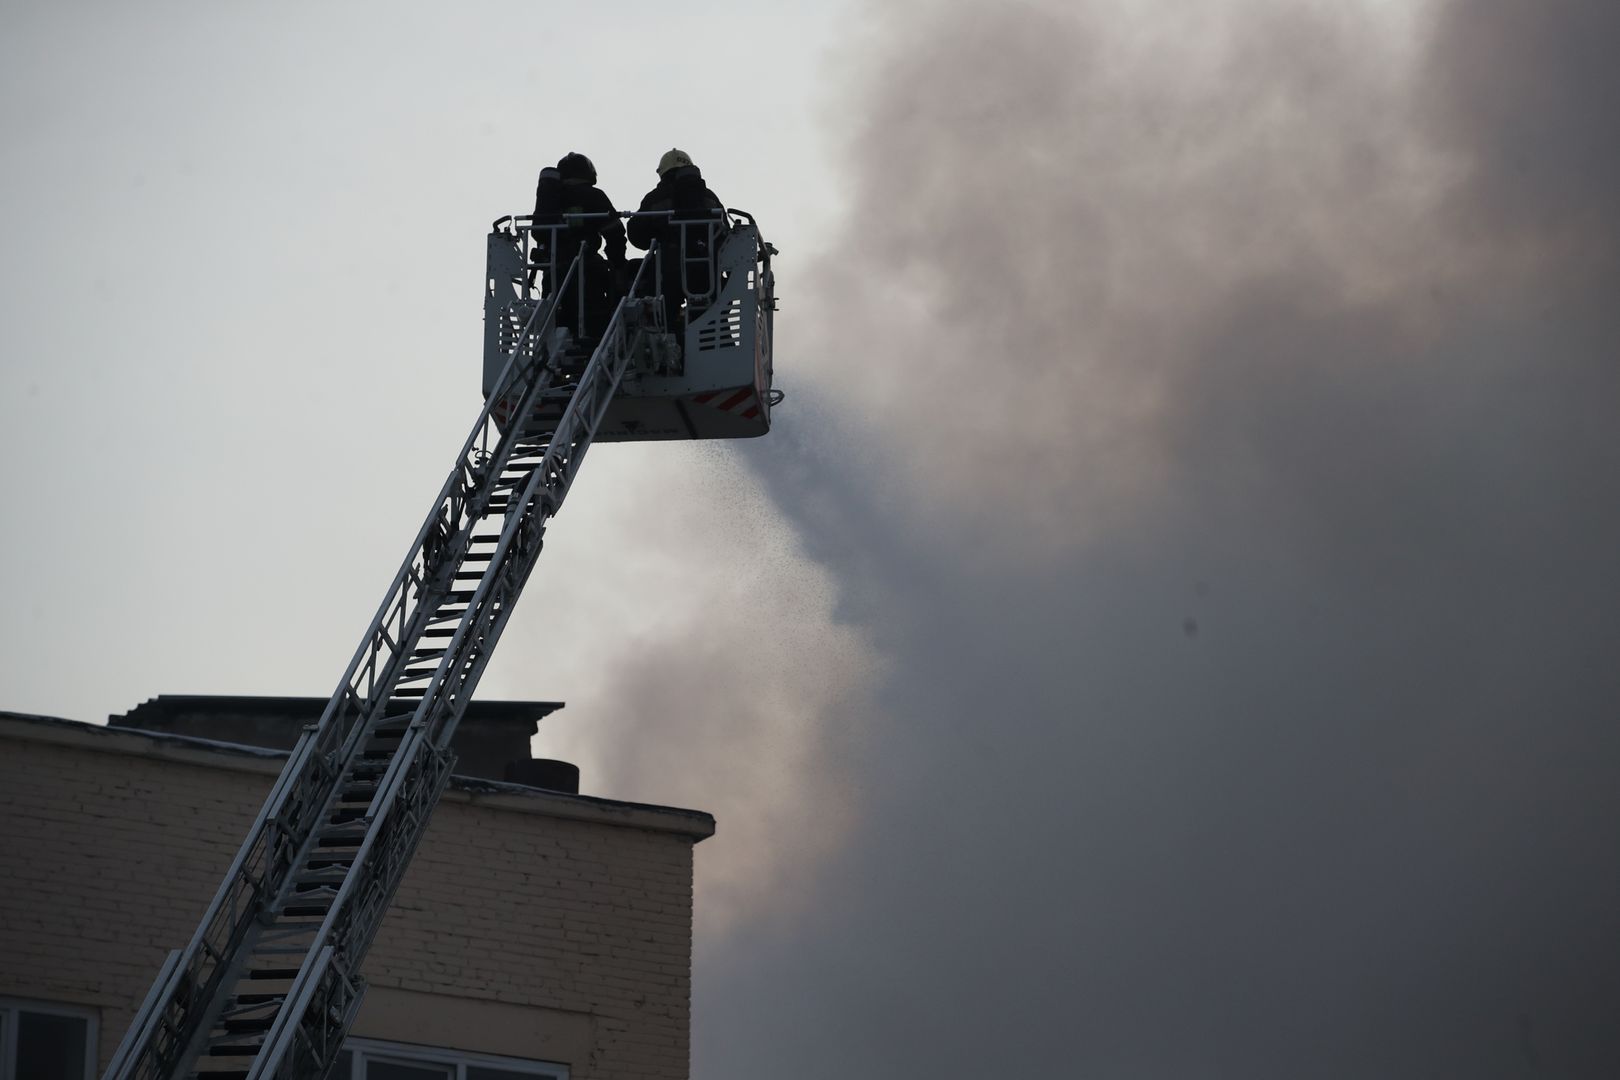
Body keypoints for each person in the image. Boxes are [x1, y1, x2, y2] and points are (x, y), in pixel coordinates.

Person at [626, 148, 726, 335]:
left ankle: (663, 347)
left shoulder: (655, 198)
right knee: (713, 322)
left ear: (663, 172)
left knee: (661, 320)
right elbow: (724, 233)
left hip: (668, 268)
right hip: (708, 270)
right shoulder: (709, 197)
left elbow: (636, 234)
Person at [532, 152, 627, 342]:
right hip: (588, 272)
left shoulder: (551, 199)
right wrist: (618, 266)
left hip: (553, 272)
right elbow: (615, 234)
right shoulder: (594, 196)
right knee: (594, 325)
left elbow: (539, 232)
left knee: (556, 324)